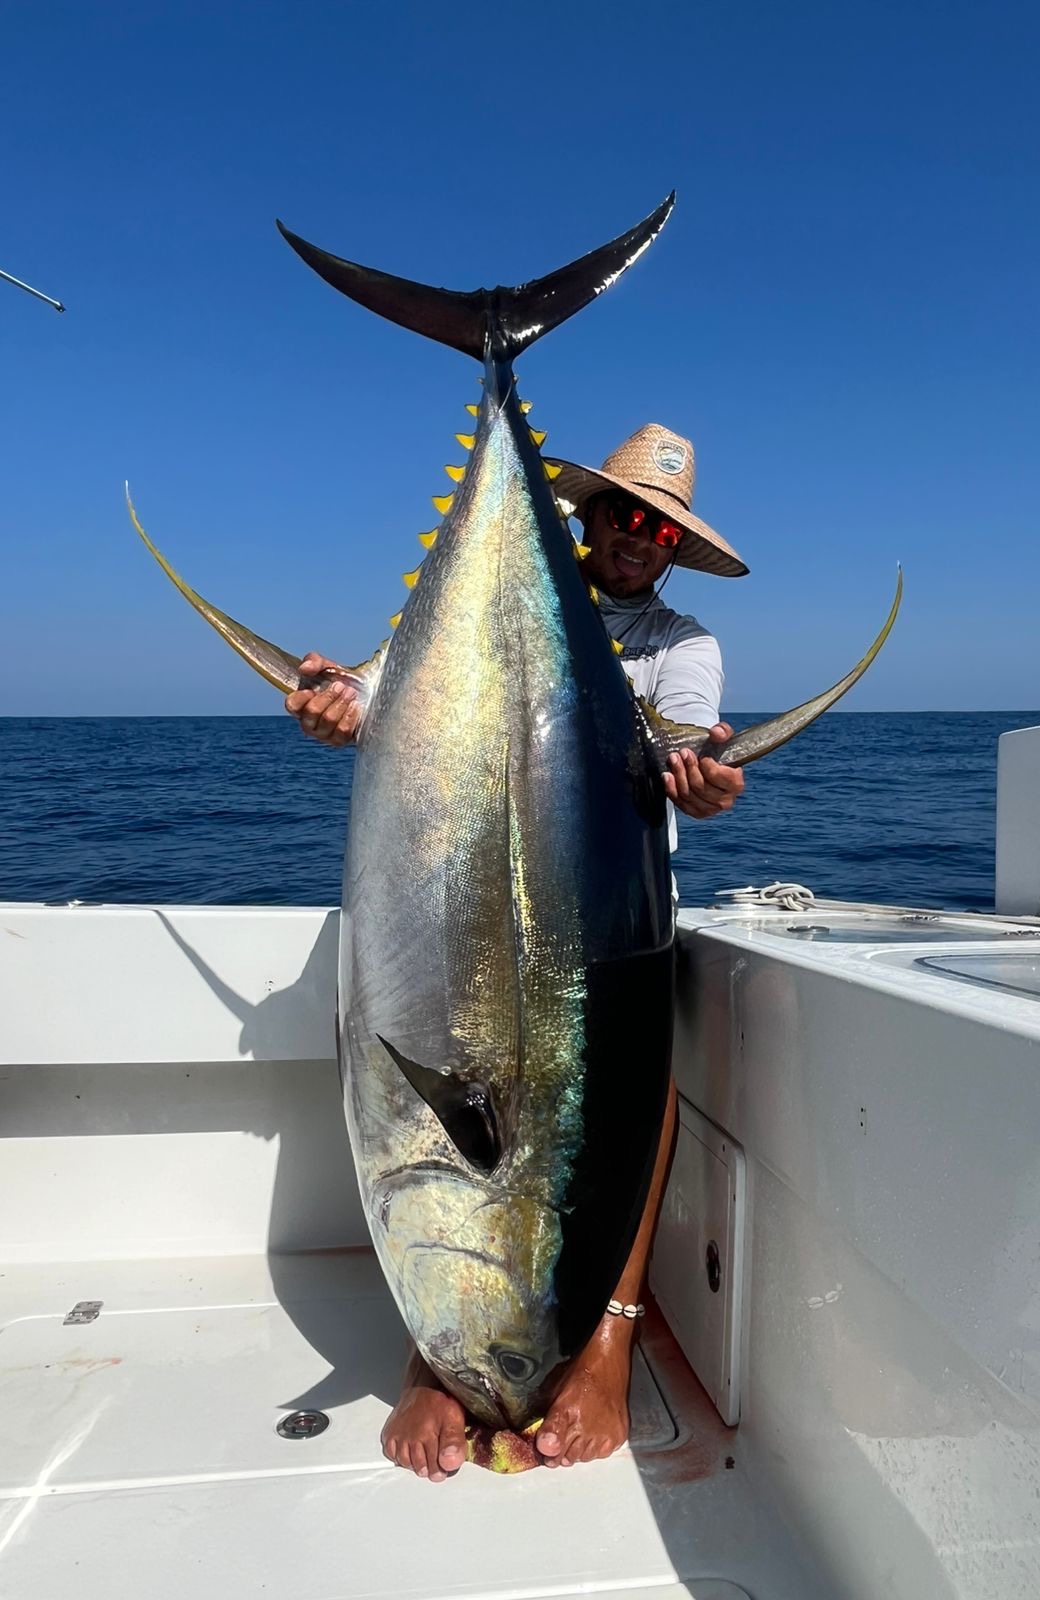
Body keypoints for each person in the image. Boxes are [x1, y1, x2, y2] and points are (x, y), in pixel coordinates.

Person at [285, 423, 749, 1477]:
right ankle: (430, 1353)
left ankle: (608, 1338)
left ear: (676, 551)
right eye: (625, 514)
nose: (638, 540)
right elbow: (380, 697)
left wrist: (709, 783)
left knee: (633, 1084)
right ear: (585, 511)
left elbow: (692, 742)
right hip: (460, 889)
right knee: (435, 1063)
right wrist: (334, 704)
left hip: (607, 904)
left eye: (660, 530)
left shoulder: (684, 643)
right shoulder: (487, 582)